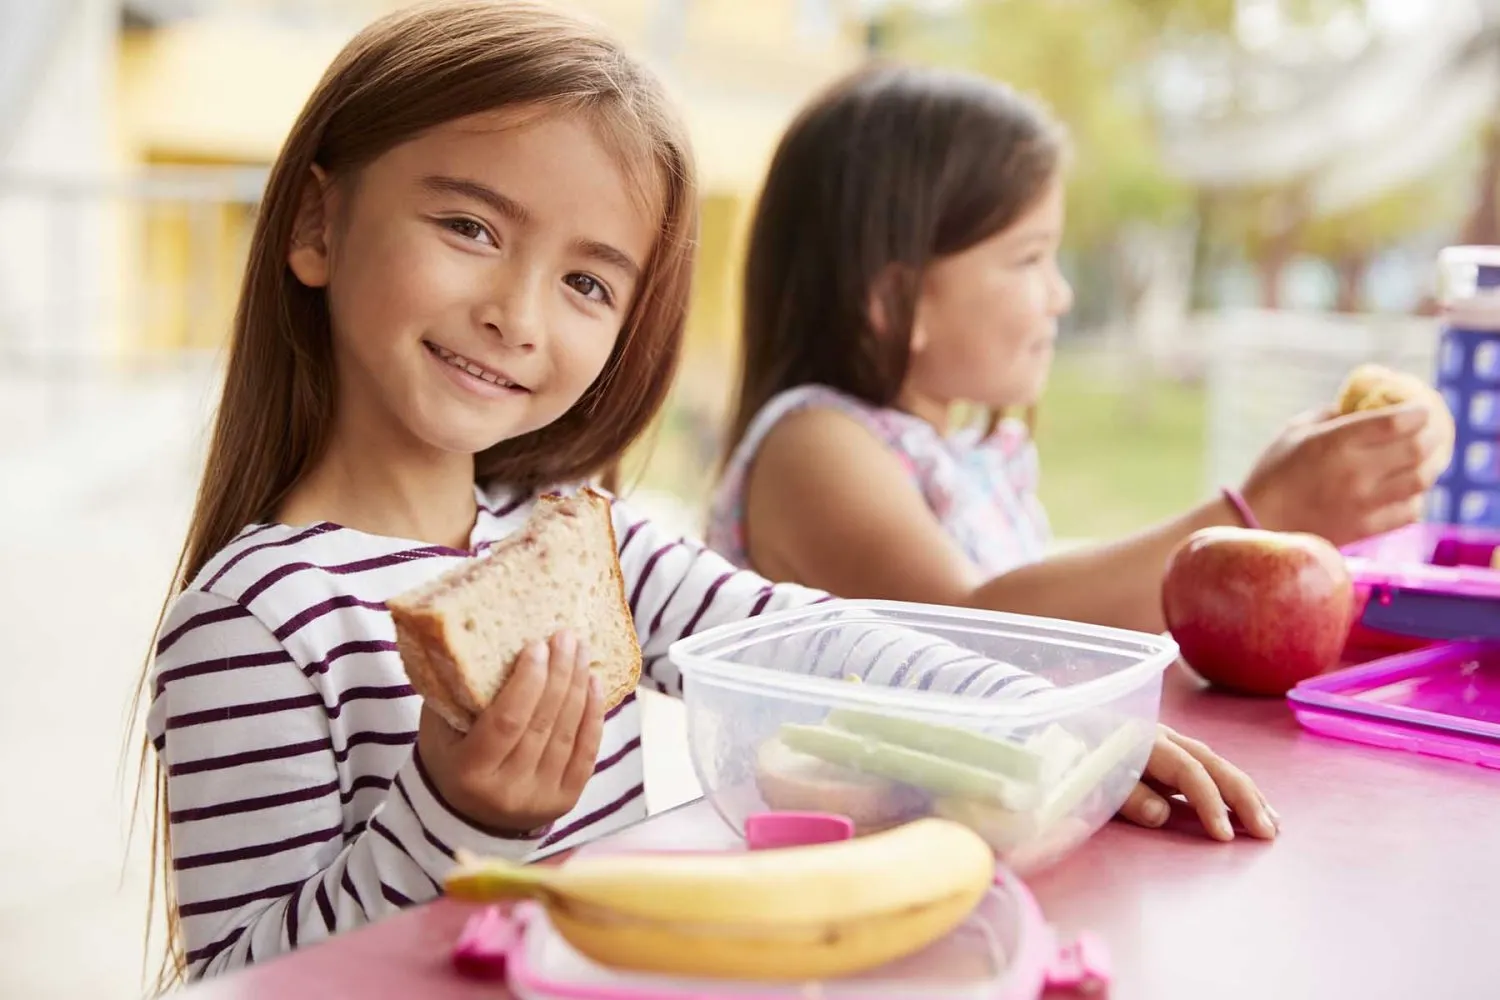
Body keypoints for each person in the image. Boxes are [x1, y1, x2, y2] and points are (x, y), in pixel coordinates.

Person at [133, 8, 1273, 988]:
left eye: (586, 280)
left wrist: (1047, 733)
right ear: (319, 225)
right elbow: (247, 977)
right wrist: (453, 811)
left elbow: (817, 646)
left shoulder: (588, 542)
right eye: (470, 227)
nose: (520, 314)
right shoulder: (257, 620)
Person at [708, 61, 1447, 639]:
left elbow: (1065, 608)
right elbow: (973, 629)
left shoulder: (963, 453)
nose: (1060, 296)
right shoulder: (811, 446)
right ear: (893, 300)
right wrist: (1258, 514)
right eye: (1030, 259)